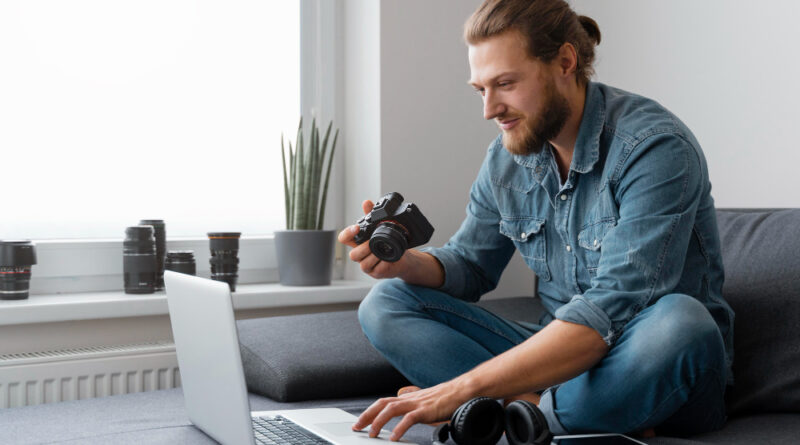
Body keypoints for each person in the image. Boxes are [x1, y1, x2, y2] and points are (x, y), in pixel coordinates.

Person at [338, 0, 735, 441]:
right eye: (480, 89)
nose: (490, 109)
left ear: (565, 61)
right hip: (558, 363)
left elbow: (613, 310)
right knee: (387, 301)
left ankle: (512, 413)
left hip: (647, 359)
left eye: (505, 83)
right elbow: (470, 266)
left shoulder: (654, 146)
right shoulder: (508, 155)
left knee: (682, 321)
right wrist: (406, 265)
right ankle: (531, 413)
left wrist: (454, 391)